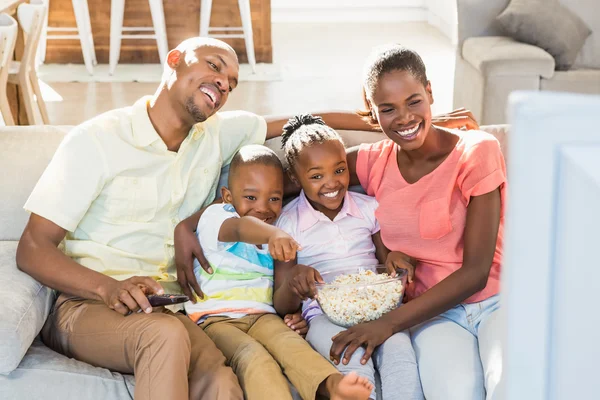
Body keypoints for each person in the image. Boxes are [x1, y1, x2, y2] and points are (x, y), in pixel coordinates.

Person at [15, 37, 268, 400]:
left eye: (232, 82)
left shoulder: (215, 136)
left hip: (167, 309)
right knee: (163, 335)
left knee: (221, 382)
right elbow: (32, 248)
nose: (224, 83)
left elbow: (300, 134)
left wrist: (374, 127)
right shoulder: (97, 139)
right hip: (88, 306)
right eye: (213, 66)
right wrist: (109, 287)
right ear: (175, 59)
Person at [318, 44, 503, 400]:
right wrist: (200, 218)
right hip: (434, 317)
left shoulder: (477, 150)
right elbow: (302, 161)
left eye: (414, 101)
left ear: (430, 93)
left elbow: (476, 271)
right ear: (372, 111)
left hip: (496, 301)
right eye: (387, 109)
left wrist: (385, 324)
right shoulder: (373, 162)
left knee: (511, 384)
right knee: (453, 394)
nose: (403, 118)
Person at [185, 144, 373, 400]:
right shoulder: (216, 217)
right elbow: (241, 229)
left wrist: (295, 305)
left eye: (274, 198)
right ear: (228, 196)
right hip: (215, 319)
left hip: (263, 316)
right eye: (251, 197)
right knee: (255, 359)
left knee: (292, 347)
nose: (263, 208)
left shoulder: (281, 227)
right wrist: (273, 234)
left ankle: (331, 387)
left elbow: (281, 293)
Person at [272, 114, 424, 400]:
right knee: (351, 362)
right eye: (316, 176)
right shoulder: (288, 225)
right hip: (324, 316)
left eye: (339, 170)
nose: (331, 183)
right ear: (295, 178)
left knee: (400, 355)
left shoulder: (369, 208)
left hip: (379, 309)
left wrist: (395, 259)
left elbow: (385, 261)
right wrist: (294, 281)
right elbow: (281, 303)